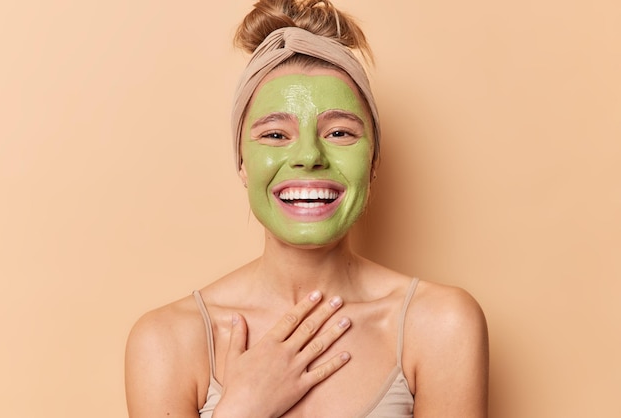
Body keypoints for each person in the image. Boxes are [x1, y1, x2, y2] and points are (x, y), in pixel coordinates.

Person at [125, 0, 489, 417]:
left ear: (373, 162)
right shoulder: (166, 341)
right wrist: (243, 407)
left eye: (339, 132)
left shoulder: (440, 325)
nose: (309, 156)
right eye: (276, 134)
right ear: (242, 163)